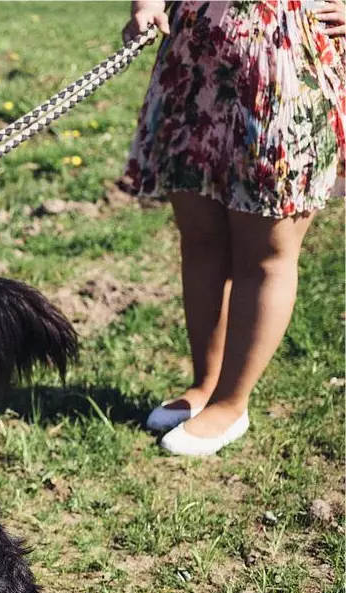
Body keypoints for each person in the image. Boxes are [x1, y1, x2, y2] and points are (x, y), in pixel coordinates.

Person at [122, 0, 345, 456]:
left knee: (264, 253)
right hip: (193, 57)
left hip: (285, 57)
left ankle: (230, 402)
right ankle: (206, 385)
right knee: (200, 239)